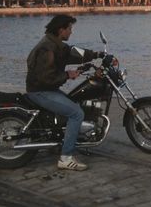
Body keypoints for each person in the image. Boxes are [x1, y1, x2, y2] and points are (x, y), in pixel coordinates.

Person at [26, 15, 103, 171]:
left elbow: (72, 53)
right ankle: (66, 157)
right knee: (76, 113)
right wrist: (68, 75)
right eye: (70, 28)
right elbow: (45, 77)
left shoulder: (55, 44)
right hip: (41, 91)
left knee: (72, 102)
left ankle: (60, 142)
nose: (71, 32)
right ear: (62, 30)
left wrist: (97, 55)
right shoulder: (47, 48)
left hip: (45, 89)